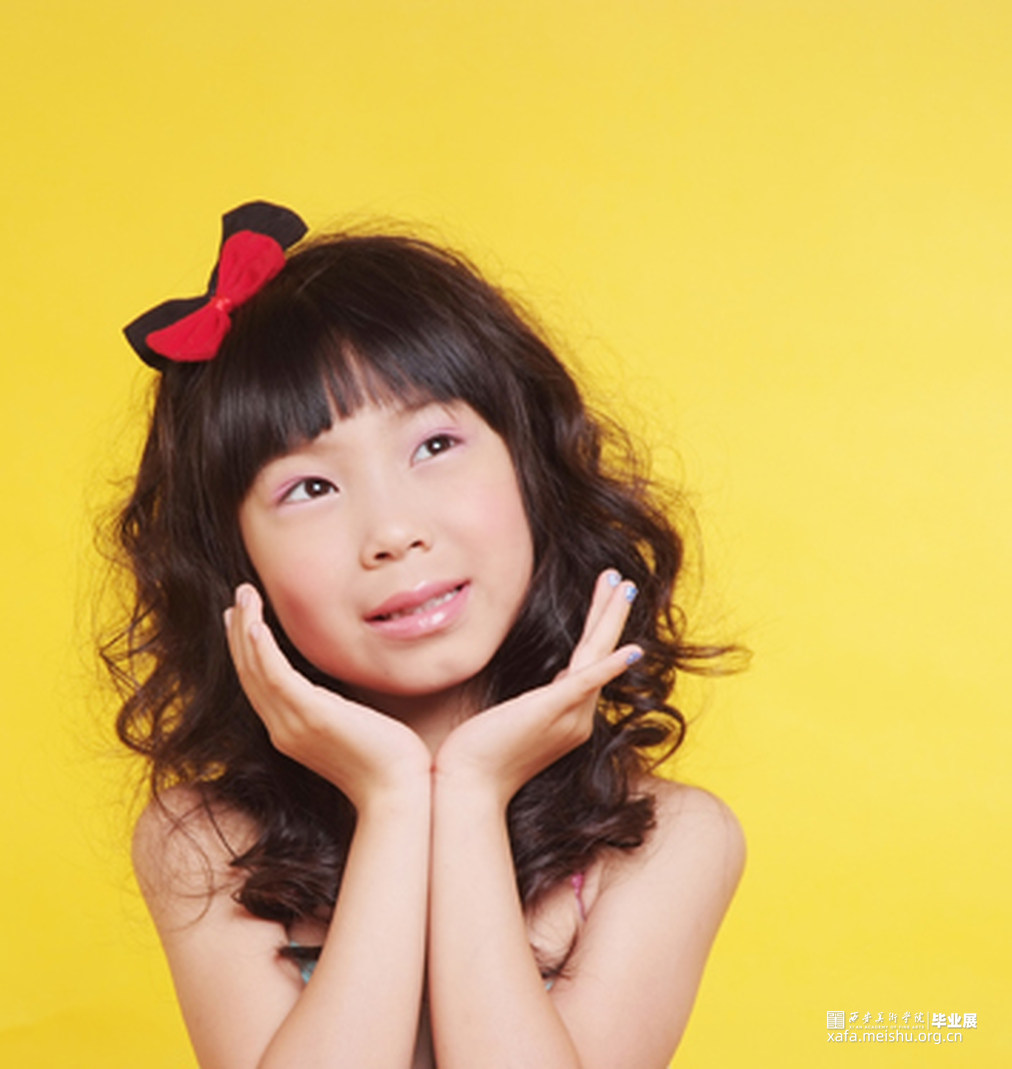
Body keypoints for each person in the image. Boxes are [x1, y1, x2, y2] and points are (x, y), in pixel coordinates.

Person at [105, 201, 746, 1069]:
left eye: (435, 444)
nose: (393, 531)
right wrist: (395, 797)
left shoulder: (665, 842)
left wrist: (474, 790)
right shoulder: (205, 841)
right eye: (309, 488)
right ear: (234, 564)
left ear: (530, 461)